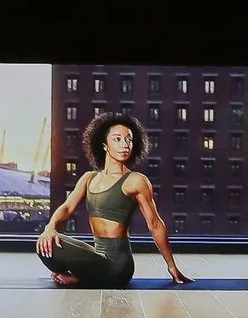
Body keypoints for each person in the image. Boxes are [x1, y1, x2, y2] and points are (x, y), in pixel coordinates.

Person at [35, 112, 190, 290]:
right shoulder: (89, 178)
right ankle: (85, 276)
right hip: (97, 253)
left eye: (129, 140)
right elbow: (67, 208)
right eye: (117, 139)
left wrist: (172, 267)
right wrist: (50, 227)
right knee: (45, 243)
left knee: (51, 246)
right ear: (104, 145)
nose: (125, 145)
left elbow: (155, 224)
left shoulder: (136, 181)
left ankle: (80, 278)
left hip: (118, 265)